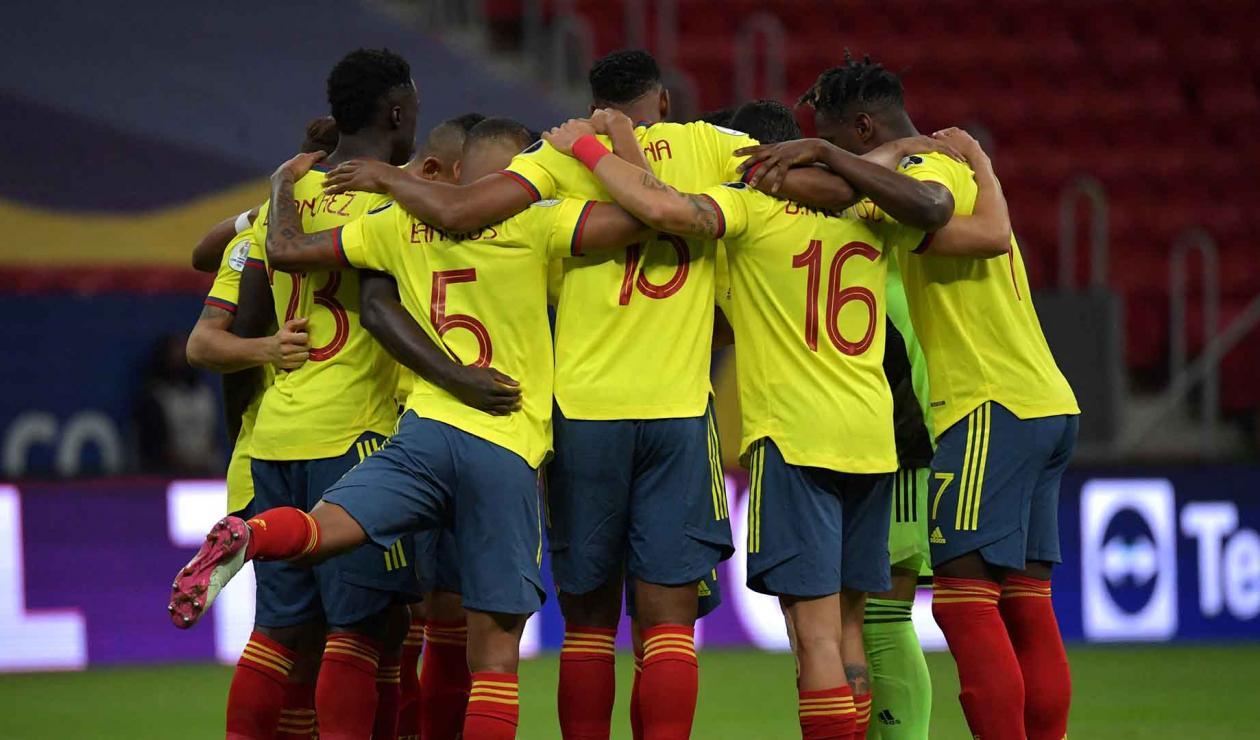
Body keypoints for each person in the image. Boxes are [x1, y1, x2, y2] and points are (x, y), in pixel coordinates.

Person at [322, 49, 952, 740]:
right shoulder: (715, 147)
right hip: (681, 412)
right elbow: (817, 189)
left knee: (589, 627)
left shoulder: (558, 151)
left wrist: (385, 181)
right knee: (669, 627)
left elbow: (466, 212)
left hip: (586, 411)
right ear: (663, 102)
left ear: (596, 101)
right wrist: (893, 157)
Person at [169, 116, 654, 739]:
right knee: (491, 660)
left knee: (324, 531)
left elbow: (286, 249)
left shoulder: (395, 225)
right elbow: (646, 213)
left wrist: (283, 188)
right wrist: (606, 150)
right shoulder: (538, 221)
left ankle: (253, 532)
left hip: (421, 431)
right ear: (514, 175)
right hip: (503, 441)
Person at [537, 99, 936, 738]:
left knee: (814, 641)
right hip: (873, 437)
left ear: (759, 161)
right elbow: (916, 192)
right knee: (855, 626)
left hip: (794, 437)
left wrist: (595, 144)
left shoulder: (749, 213)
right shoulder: (869, 213)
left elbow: (664, 210)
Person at [757, 53, 1081, 740]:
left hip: (985, 404)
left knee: (964, 605)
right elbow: (979, 221)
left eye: (839, 141)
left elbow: (967, 227)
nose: (840, 157)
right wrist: (980, 166)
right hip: (1044, 402)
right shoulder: (953, 166)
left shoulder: (918, 179)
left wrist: (819, 155)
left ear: (861, 127)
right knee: (1026, 603)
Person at [172, 48, 427, 740]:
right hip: (357, 436)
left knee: (281, 634)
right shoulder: (396, 196)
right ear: (397, 112)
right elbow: (384, 310)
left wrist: (282, 184)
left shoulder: (282, 199)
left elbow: (215, 268)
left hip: (274, 438)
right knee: (365, 628)